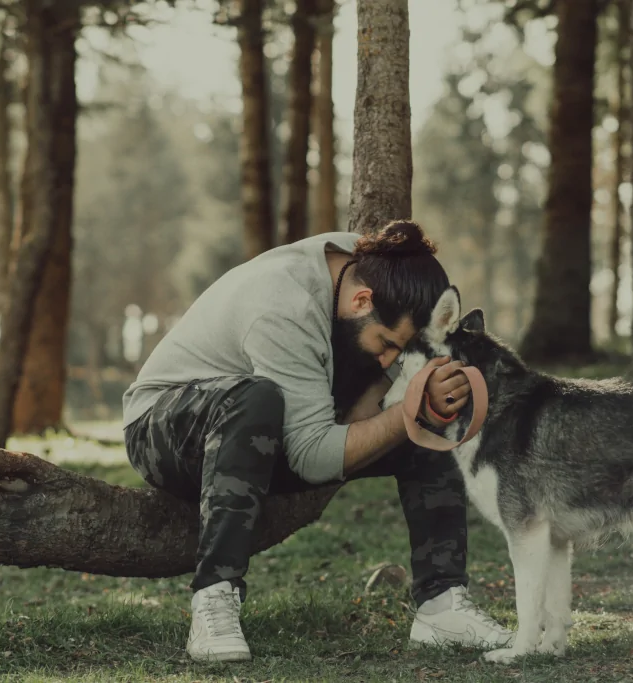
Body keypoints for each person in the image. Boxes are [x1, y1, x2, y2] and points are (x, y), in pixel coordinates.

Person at [122, 220, 513, 662]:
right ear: (362, 301)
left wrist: (428, 398)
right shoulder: (282, 303)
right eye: (386, 344)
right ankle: (214, 597)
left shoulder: (371, 272)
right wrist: (409, 411)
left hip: (271, 430)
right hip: (165, 429)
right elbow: (312, 459)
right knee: (256, 399)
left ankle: (442, 605)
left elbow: (354, 415)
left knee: (429, 407)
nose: (388, 360)